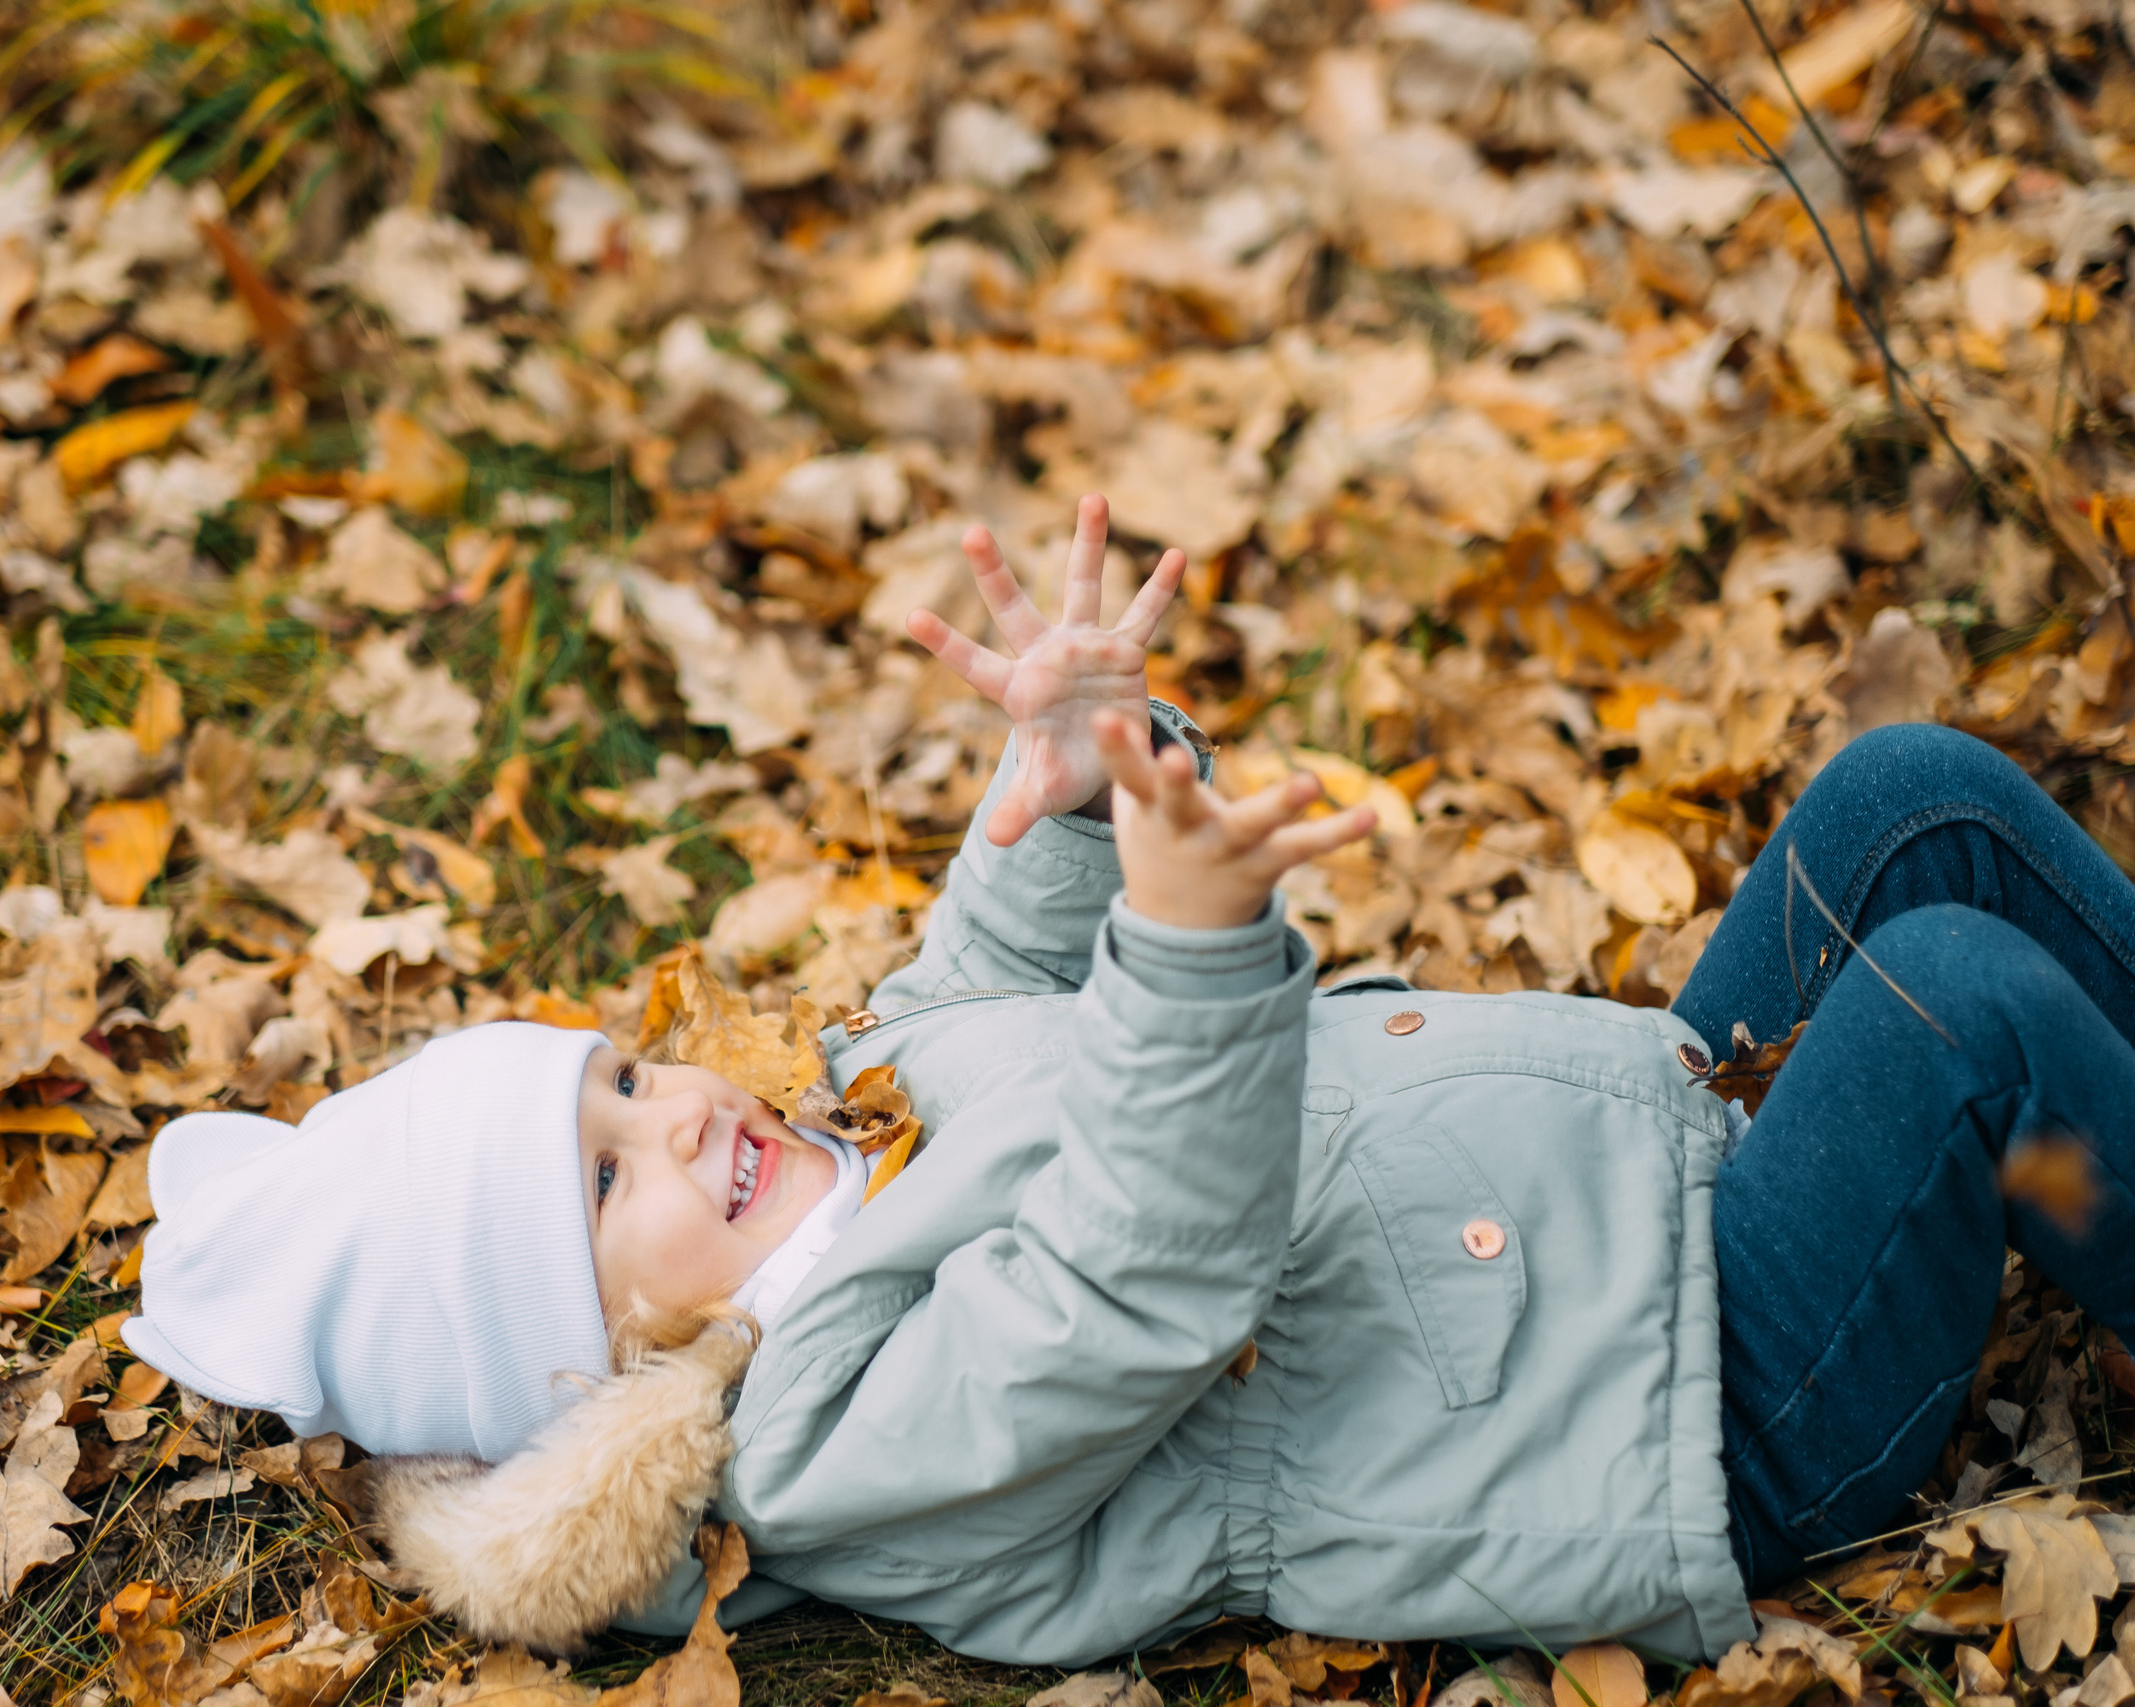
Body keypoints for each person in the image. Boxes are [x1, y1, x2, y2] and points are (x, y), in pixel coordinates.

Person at [125, 495, 2135, 1667]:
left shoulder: (847, 1119)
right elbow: (1127, 1272)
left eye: (619, 1078)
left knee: (1899, 808)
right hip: (1685, 1394)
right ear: (577, 1364)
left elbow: (978, 977)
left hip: (1652, 1163)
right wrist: (1182, 946)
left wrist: (1065, 787)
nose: (665, 1112)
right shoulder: (830, 1435)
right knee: (1951, 996)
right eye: (593, 1183)